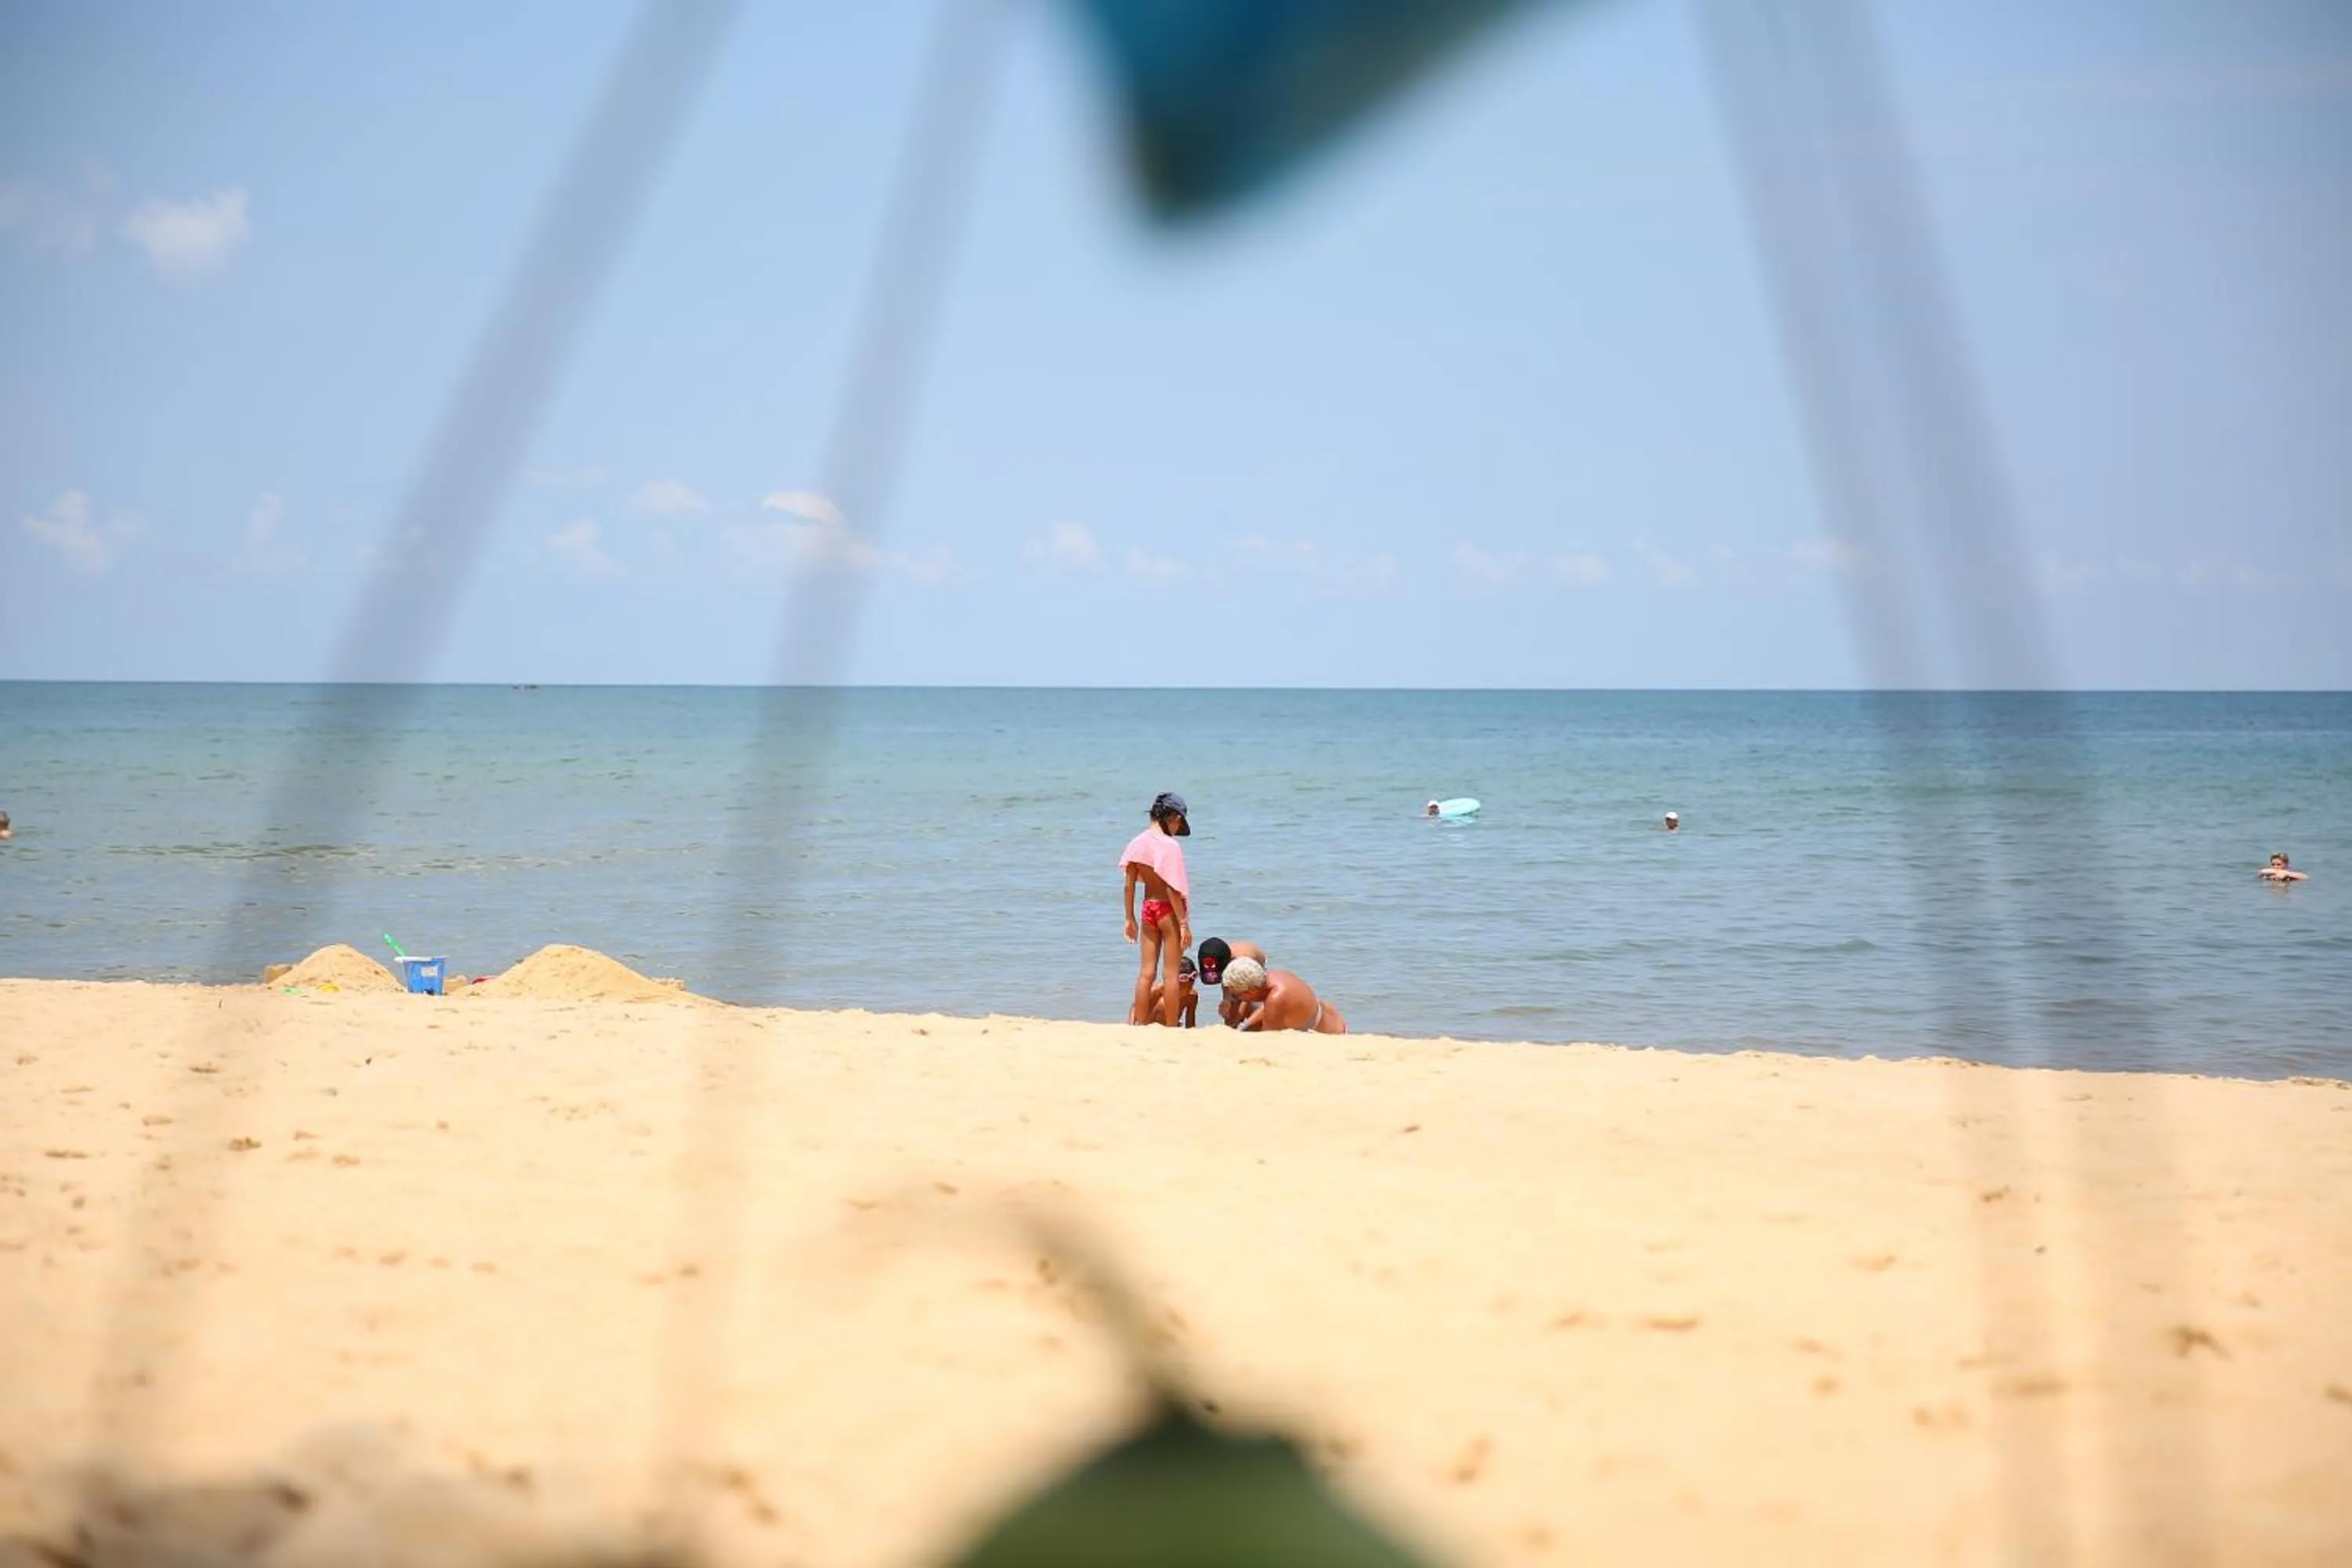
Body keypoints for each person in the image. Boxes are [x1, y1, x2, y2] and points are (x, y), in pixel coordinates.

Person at [1120, 792, 1192, 1025]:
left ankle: (1140, 1023)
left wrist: (1129, 918)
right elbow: (1172, 889)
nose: (1178, 826)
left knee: (1146, 973)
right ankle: (1171, 1027)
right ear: (1170, 816)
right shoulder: (1170, 846)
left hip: (1147, 908)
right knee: (1171, 975)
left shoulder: (1136, 843)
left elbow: (1129, 886)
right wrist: (1183, 924)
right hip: (1168, 911)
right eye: (1178, 820)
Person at [1221, 956, 1346, 1034]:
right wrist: (1244, 1027)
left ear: (1251, 991)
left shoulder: (1277, 999)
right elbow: (1266, 1009)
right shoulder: (1272, 976)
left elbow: (1268, 1039)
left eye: (1237, 995)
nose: (1238, 999)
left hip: (1331, 1033)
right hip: (1332, 1017)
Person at [1195, 936, 1269, 1029]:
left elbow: (1247, 996)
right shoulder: (1218, 957)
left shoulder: (1243, 961)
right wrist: (1226, 1000)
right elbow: (1227, 979)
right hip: (1232, 965)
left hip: (1253, 967)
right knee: (1231, 1003)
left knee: (1247, 999)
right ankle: (1232, 1025)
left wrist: (1239, 1018)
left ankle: (1247, 1025)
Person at [1149, 954, 1201, 1029]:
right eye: (1182, 988)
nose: (1187, 991)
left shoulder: (1192, 996)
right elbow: (1135, 1008)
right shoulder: (1157, 991)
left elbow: (1190, 1023)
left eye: (1190, 987)